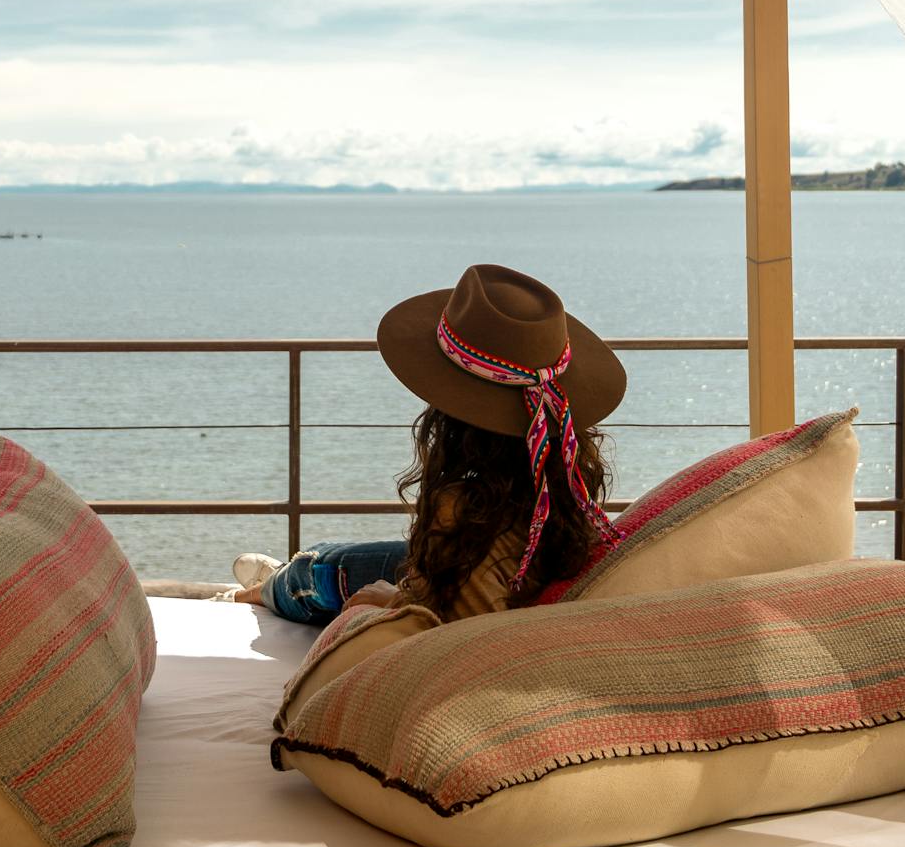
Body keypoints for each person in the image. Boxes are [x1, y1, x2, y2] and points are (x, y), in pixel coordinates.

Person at [233, 263, 626, 626]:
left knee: (315, 573)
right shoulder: (567, 483)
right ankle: (278, 574)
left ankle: (254, 593)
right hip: (511, 573)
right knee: (350, 556)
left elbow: (447, 630)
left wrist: (388, 602)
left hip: (453, 576)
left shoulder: (463, 509)